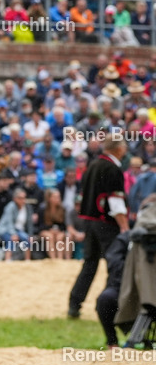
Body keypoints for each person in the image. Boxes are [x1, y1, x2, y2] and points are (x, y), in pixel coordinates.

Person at [68, 133, 130, 318]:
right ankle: (109, 305)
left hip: (89, 222)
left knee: (90, 264)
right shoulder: (112, 168)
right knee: (115, 263)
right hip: (106, 224)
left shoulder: (92, 165)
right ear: (119, 149)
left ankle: (74, 304)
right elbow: (116, 202)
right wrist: (124, 227)